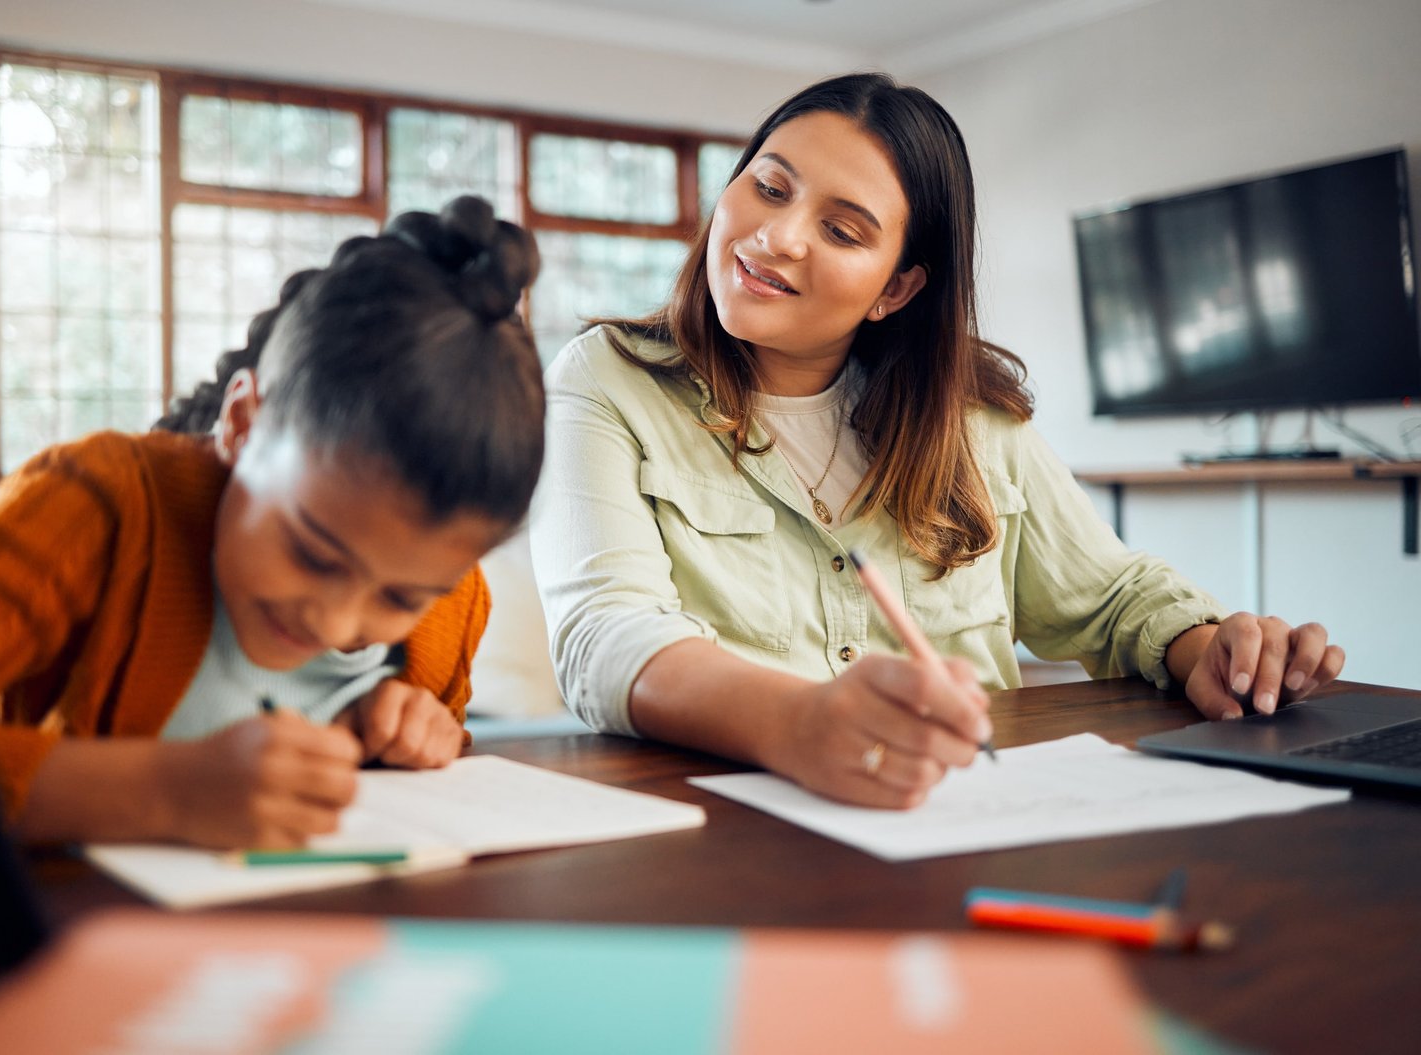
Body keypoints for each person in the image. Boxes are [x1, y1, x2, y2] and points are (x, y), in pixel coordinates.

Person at [529, 73, 1344, 809]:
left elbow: (1112, 599)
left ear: (897, 288)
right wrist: (800, 722)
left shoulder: (967, 415)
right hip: (723, 823)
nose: (778, 236)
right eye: (769, 187)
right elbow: (606, 636)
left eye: (843, 232)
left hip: (959, 814)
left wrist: (1206, 652)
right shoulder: (607, 378)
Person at [0, 195, 544, 849]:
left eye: (399, 598)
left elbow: (425, 776)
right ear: (241, 424)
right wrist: (163, 790)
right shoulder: (96, 510)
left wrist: (408, 733)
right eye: (314, 555)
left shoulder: (450, 600)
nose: (336, 622)